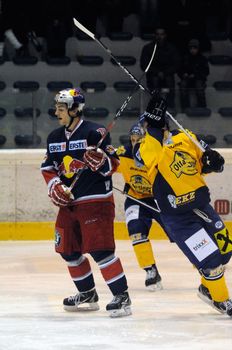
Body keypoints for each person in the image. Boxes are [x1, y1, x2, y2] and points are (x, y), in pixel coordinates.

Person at [132, 94, 232, 318]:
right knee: (211, 260)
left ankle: (208, 288)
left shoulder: (186, 137)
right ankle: (222, 300)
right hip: (179, 219)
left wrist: (213, 163)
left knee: (226, 251)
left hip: (202, 206)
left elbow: (202, 164)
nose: (144, 129)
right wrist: (154, 123)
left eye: (146, 125)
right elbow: (150, 148)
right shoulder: (145, 147)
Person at [41, 88, 132, 318]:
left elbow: (113, 164)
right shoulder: (54, 138)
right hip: (68, 204)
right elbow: (48, 168)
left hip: (95, 201)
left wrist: (102, 162)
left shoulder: (95, 133)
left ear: (74, 109)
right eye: (57, 108)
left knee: (100, 250)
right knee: (67, 250)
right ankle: (88, 293)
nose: (56, 112)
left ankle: (122, 296)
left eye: (61, 108)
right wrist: (56, 187)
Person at [116, 123, 165, 291]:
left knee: (181, 233)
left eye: (140, 140)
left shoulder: (159, 154)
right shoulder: (124, 153)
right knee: (136, 231)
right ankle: (150, 270)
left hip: (160, 200)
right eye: (133, 139)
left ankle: (203, 263)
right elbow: (105, 164)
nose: (135, 143)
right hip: (136, 199)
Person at [140, 27, 180, 108]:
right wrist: (157, 72)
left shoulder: (171, 48)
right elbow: (144, 65)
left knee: (169, 80)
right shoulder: (147, 48)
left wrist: (164, 73)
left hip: (168, 76)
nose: (159, 37)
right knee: (155, 80)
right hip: (153, 77)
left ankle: (170, 108)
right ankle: (155, 107)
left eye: (162, 34)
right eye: (157, 34)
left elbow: (176, 64)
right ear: (154, 35)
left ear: (165, 35)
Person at [178, 39, 210, 111]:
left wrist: (195, 75)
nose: (192, 50)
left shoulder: (202, 59)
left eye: (194, 48)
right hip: (187, 79)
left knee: (199, 86)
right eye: (191, 48)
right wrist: (183, 74)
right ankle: (185, 109)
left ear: (198, 49)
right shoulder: (185, 58)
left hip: (199, 79)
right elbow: (180, 70)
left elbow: (206, 72)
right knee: (182, 85)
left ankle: (202, 108)